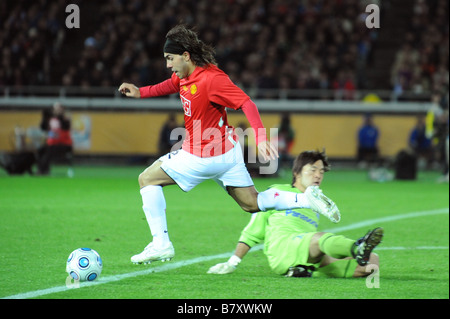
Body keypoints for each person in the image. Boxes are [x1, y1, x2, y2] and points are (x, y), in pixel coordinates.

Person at [118, 25, 340, 265]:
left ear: (185, 56)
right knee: (251, 203)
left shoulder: (212, 79)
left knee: (147, 179)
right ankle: (308, 200)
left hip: (202, 156)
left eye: (170, 59)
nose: (168, 65)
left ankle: (161, 244)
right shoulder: (185, 75)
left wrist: (262, 137)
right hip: (227, 154)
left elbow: (247, 103)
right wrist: (141, 92)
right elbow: (170, 85)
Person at [208, 150, 383, 278]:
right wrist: (233, 262)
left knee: (372, 263)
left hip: (305, 249)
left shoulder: (315, 204)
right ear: (296, 172)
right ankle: (357, 247)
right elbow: (252, 232)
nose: (318, 175)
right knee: (319, 238)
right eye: (313, 170)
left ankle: (304, 271)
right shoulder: (277, 193)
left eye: (321, 172)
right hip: (283, 250)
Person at [37, 102, 73, 175]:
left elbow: (65, 127)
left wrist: (60, 115)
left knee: (49, 151)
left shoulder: (65, 119)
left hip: (63, 144)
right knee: (40, 150)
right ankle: (44, 169)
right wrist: (44, 117)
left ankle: (42, 171)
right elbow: (43, 127)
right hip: (53, 143)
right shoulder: (51, 119)